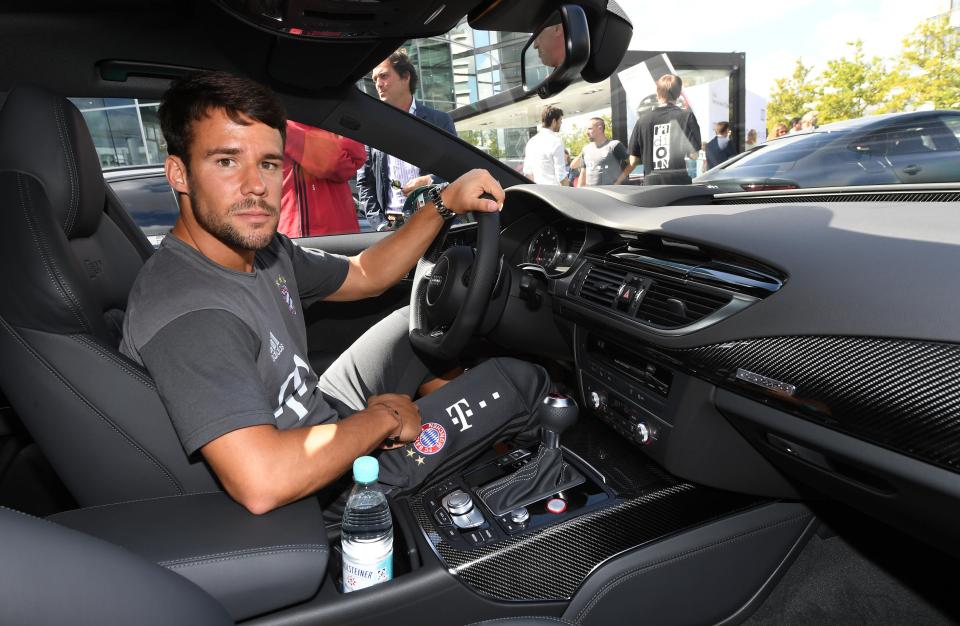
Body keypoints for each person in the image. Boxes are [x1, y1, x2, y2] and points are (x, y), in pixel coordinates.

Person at [120, 71, 550, 516]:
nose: (255, 185)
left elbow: (366, 273)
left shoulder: (263, 251)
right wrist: (382, 420)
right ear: (179, 173)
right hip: (321, 487)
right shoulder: (191, 311)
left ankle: (468, 450)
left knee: (416, 325)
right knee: (522, 382)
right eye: (227, 161)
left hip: (317, 412)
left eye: (268, 163)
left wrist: (444, 204)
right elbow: (263, 481)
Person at [357, 49, 456, 231]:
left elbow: (456, 169)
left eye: (384, 76)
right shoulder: (374, 128)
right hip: (391, 228)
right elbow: (365, 183)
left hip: (434, 220)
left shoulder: (439, 121)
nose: (378, 84)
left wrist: (429, 180)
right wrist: (379, 224)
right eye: (375, 79)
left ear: (405, 76)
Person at [279, 120, 365, 237]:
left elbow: (351, 160)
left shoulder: (281, 126)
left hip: (297, 228)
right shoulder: (283, 126)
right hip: (312, 229)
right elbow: (346, 162)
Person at [626, 74, 701, 186]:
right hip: (678, 185)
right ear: (679, 94)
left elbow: (633, 161)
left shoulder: (642, 121)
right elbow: (694, 156)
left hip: (651, 186)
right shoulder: (686, 116)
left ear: (657, 93)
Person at [576, 117, 630, 186]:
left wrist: (618, 181)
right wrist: (579, 192)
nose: (587, 132)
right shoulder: (585, 149)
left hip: (611, 194)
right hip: (591, 194)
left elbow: (632, 163)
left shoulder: (614, 145)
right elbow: (583, 173)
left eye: (590, 129)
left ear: (600, 128)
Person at [523, 106, 568, 185]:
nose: (561, 123)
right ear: (554, 121)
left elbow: (528, 173)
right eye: (560, 120)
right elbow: (561, 175)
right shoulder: (556, 141)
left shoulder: (531, 142)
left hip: (538, 192)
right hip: (554, 193)